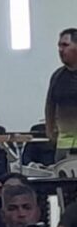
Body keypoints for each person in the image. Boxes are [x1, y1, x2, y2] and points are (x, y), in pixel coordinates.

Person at [47, 28, 77, 162]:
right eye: (59, 46)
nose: (60, 50)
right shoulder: (57, 76)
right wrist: (50, 129)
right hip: (64, 145)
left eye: (65, 45)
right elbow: (50, 105)